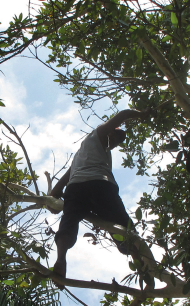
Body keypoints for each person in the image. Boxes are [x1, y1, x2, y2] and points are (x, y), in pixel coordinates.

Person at [47, 108, 150, 289]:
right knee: (123, 225)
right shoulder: (98, 134)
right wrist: (142, 114)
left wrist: (54, 193)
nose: (118, 142)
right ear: (110, 131)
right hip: (102, 185)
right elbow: (123, 114)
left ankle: (61, 258)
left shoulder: (85, 153)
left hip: (76, 188)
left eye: (120, 141)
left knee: (69, 221)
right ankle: (138, 258)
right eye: (118, 137)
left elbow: (68, 175)